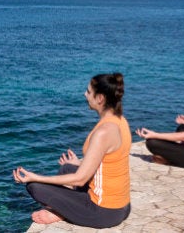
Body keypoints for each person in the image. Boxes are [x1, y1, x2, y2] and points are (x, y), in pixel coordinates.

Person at [13, 73, 131, 228]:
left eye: (88, 92)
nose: (85, 94)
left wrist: (36, 177)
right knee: (68, 167)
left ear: (100, 98)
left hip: (103, 212)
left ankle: (59, 213)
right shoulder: (120, 120)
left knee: (34, 186)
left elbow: (80, 179)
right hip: (122, 205)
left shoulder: (104, 132)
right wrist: (78, 163)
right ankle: (67, 206)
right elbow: (107, 161)